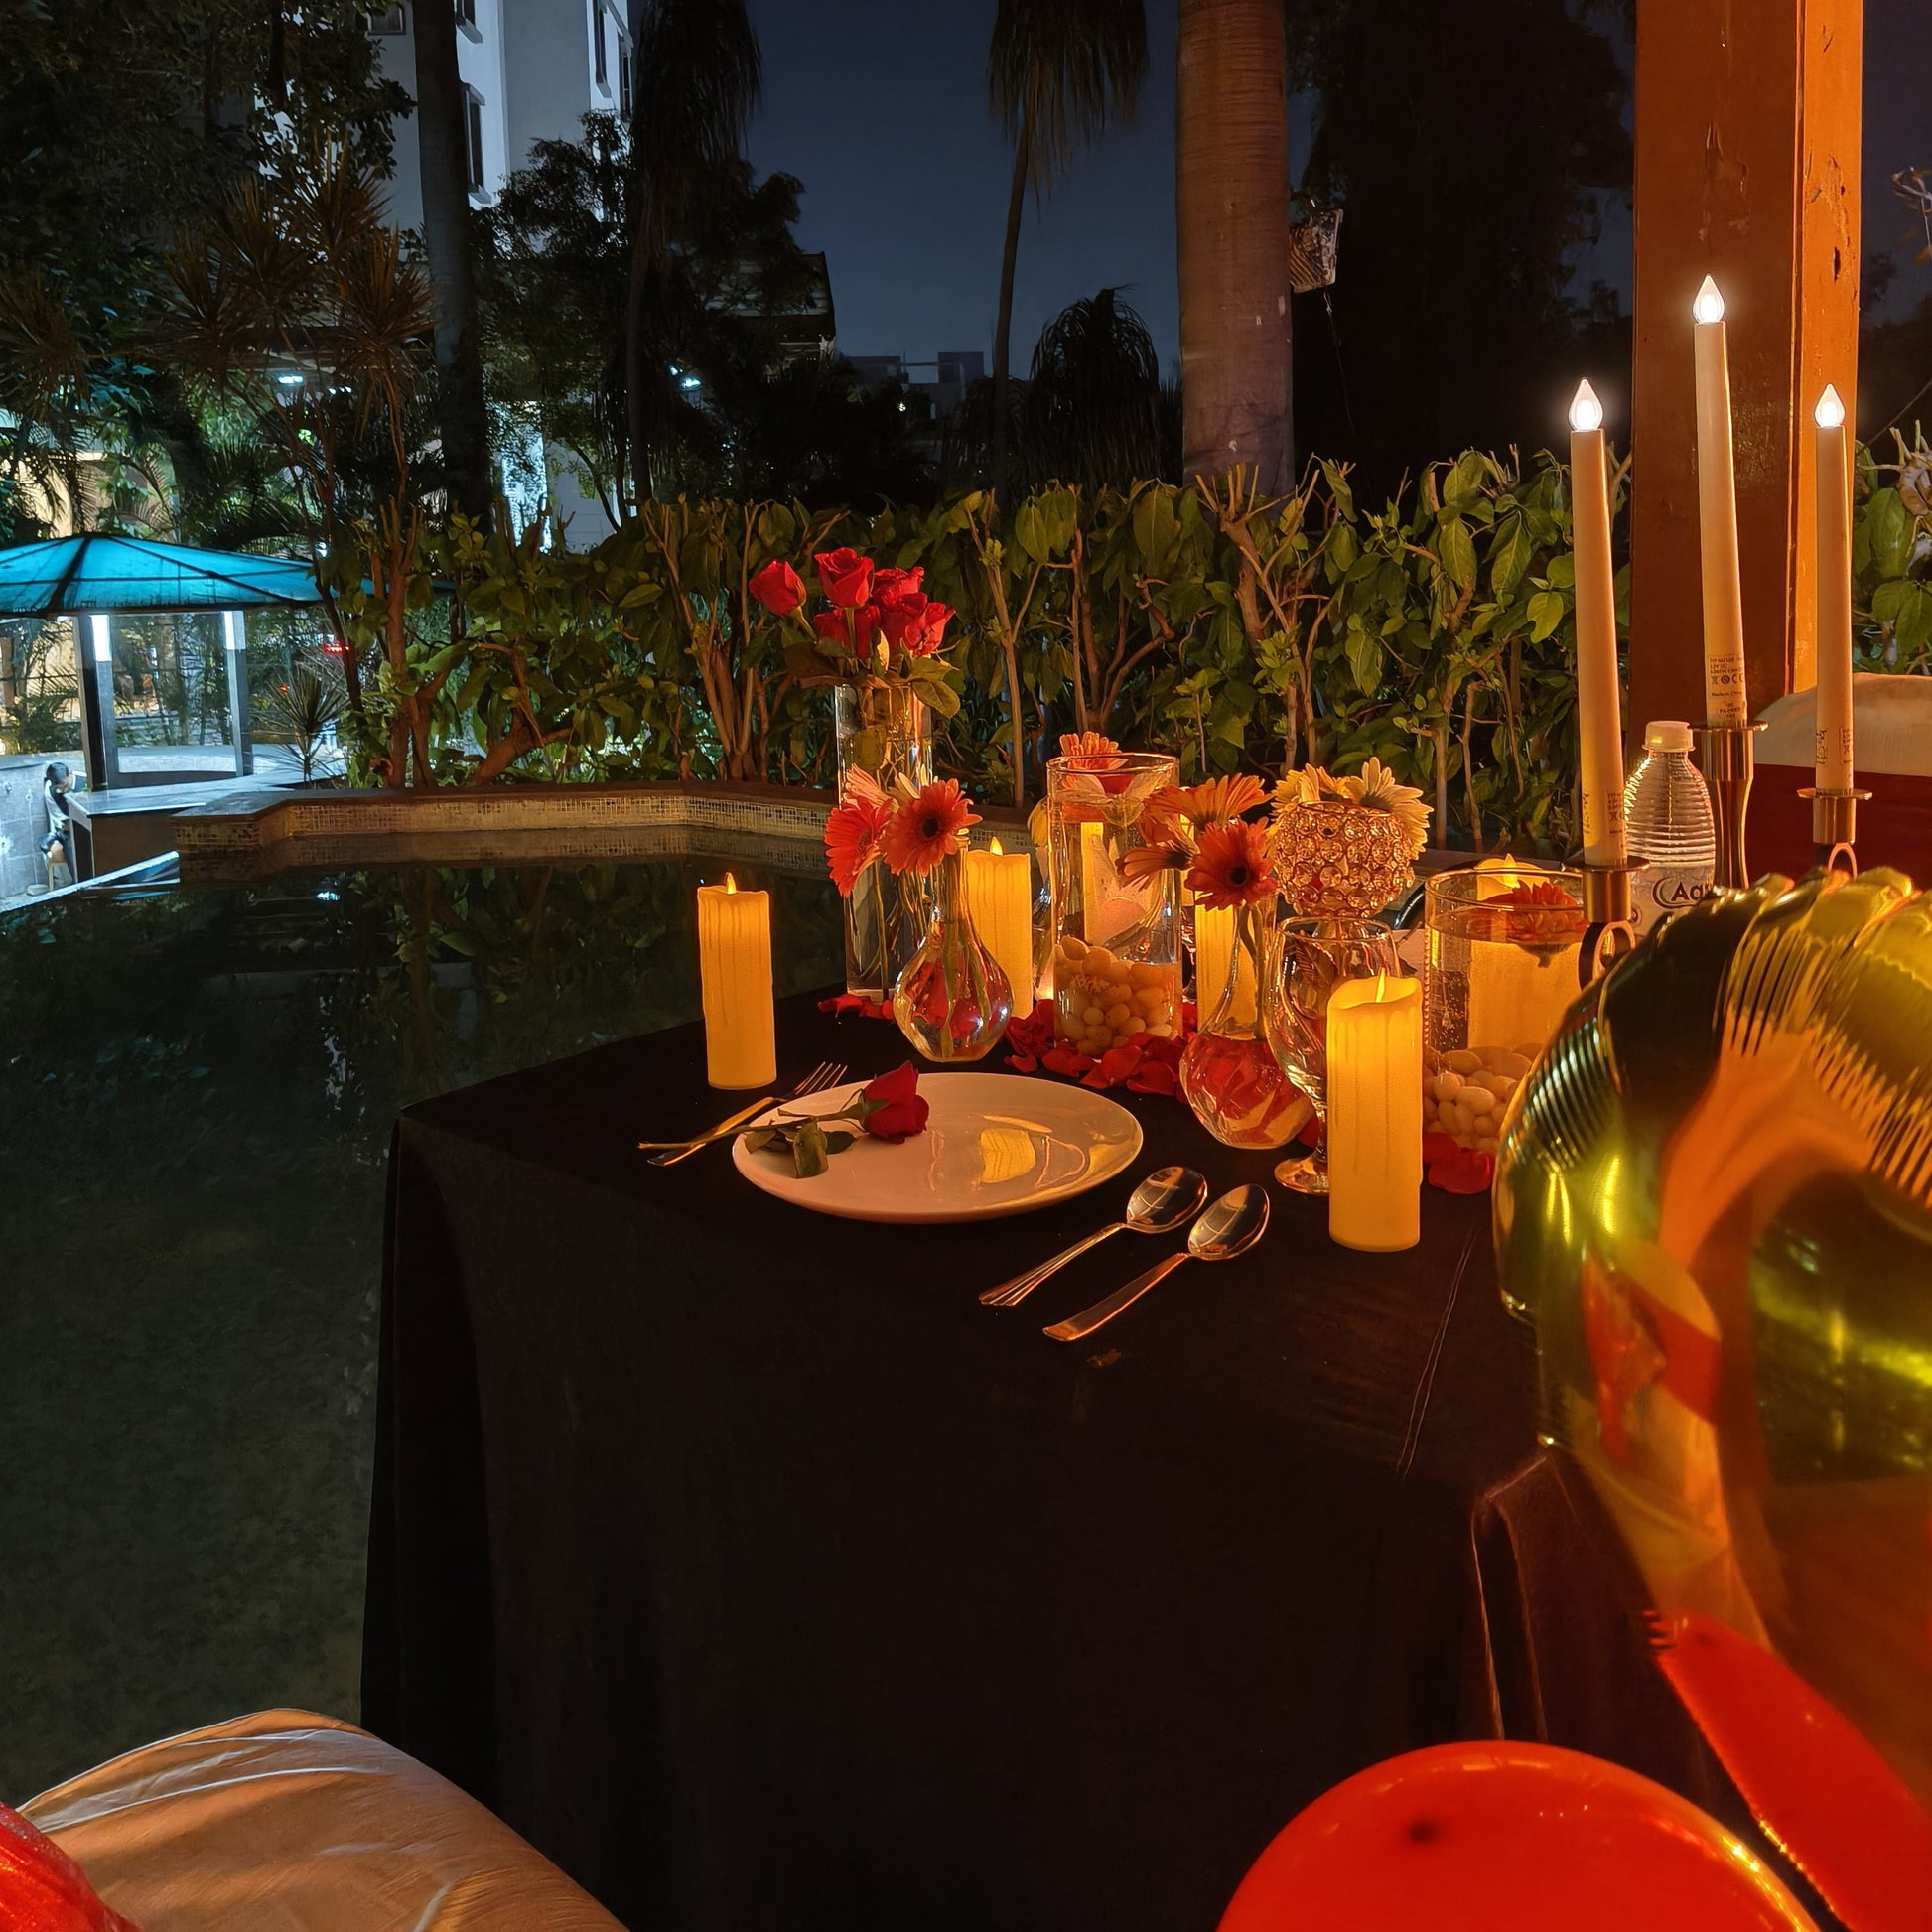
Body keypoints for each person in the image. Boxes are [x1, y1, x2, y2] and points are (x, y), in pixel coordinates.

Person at [40, 761, 76, 888]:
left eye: (65, 785)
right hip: (69, 829)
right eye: (58, 788)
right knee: (70, 844)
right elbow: (61, 821)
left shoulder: (85, 781)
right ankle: (78, 881)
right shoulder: (50, 792)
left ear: (70, 776)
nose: (63, 790)